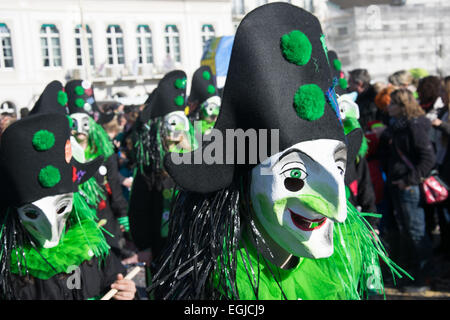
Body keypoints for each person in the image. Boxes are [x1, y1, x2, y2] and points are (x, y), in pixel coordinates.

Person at [148, 3, 408, 300]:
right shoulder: (210, 289)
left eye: (337, 167)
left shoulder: (347, 268)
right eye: (294, 175)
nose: (338, 211)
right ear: (245, 184)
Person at [0, 112, 136, 300]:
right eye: (32, 213)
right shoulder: (8, 267)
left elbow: (113, 281)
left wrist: (125, 294)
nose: (50, 228)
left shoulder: (91, 246)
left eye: (60, 208)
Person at [127, 70, 197, 270]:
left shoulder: (196, 160)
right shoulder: (149, 168)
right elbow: (138, 210)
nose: (177, 132)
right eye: (172, 124)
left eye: (181, 125)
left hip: (191, 244)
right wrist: (145, 246)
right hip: (162, 248)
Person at [65, 79, 134, 262]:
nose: (80, 130)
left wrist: (123, 215)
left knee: (109, 265)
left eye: (85, 124)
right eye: (74, 124)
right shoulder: (64, 155)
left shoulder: (104, 153)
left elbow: (114, 188)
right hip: (77, 223)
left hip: (105, 220)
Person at [378, 88, 435, 292]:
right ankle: (411, 276)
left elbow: (428, 159)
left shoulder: (414, 126)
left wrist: (408, 180)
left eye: (392, 103)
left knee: (416, 233)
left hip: (409, 187)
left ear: (402, 106)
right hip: (397, 185)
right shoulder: (397, 126)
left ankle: (423, 278)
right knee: (406, 233)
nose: (388, 107)